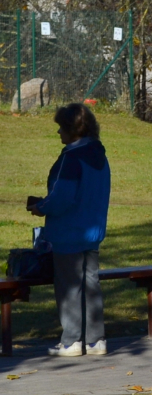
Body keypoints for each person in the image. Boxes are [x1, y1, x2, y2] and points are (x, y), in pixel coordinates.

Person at [27, 104, 111, 357]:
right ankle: (96, 340)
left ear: (72, 130)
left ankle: (72, 341)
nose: (58, 133)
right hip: (92, 231)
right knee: (91, 284)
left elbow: (61, 198)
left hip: (69, 232)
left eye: (61, 128)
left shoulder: (71, 158)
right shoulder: (98, 155)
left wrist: (41, 207)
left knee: (69, 287)